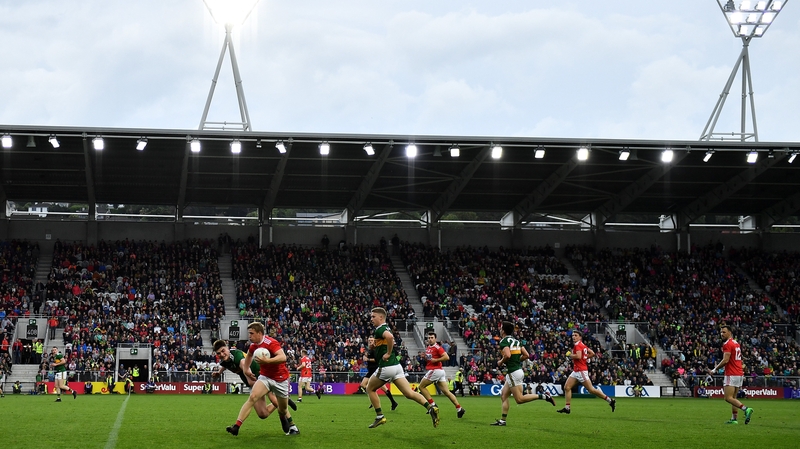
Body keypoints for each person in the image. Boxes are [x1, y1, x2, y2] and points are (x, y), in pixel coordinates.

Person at [365, 307, 439, 429]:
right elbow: (386, 340)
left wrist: (388, 353)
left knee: (369, 388)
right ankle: (431, 407)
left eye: (373, 316)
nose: (371, 319)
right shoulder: (386, 328)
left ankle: (379, 416)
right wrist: (375, 347)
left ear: (381, 317)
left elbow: (389, 338)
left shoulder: (380, 330)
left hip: (386, 367)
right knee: (409, 393)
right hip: (396, 367)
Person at [225, 323, 300, 436]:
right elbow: (249, 356)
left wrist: (267, 361)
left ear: (259, 333)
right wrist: (246, 370)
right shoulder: (253, 346)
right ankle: (236, 426)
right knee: (252, 397)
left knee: (283, 409)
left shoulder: (271, 342)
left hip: (280, 379)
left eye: (251, 333)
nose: (249, 336)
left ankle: (283, 417)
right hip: (265, 377)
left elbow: (283, 357)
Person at [212, 340, 297, 420]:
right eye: (219, 353)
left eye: (223, 351)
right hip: (253, 381)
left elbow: (243, 363)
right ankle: (284, 399)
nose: (222, 354)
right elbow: (225, 365)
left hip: (259, 375)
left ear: (227, 348)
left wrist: (249, 377)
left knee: (274, 400)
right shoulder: (224, 361)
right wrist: (219, 373)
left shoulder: (236, 354)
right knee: (262, 414)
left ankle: (291, 423)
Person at [491, 322, 555, 426]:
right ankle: (503, 420)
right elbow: (526, 355)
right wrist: (517, 360)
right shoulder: (516, 341)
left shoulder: (503, 341)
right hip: (517, 371)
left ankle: (544, 396)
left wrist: (500, 362)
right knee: (503, 395)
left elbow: (507, 355)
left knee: (519, 399)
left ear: (503, 330)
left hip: (513, 372)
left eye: (501, 328)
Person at [557, 331, 616, 415]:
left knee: (591, 390)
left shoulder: (578, 345)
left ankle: (610, 401)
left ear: (580, 337)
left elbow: (578, 356)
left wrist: (570, 355)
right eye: (573, 335)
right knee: (567, 387)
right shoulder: (582, 345)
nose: (573, 337)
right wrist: (585, 357)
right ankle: (567, 408)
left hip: (581, 371)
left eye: (575, 335)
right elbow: (592, 353)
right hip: (577, 370)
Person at [709, 324, 754, 425]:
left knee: (727, 398)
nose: (722, 334)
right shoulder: (736, 343)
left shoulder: (727, 344)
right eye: (721, 332)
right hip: (739, 373)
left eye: (724, 332)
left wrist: (715, 369)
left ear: (730, 332)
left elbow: (725, 360)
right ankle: (734, 419)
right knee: (733, 398)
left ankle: (746, 409)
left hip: (732, 373)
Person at [417, 332, 465, 418]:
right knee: (446, 392)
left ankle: (433, 405)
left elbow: (446, 357)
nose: (430, 339)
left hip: (435, 370)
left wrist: (436, 360)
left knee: (421, 387)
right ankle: (459, 408)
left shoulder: (437, 347)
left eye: (432, 337)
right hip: (439, 371)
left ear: (435, 339)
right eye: (429, 338)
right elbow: (430, 359)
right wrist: (424, 357)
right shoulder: (428, 347)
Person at [358, 336, 398, 410]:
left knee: (380, 387)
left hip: (375, 369)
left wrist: (368, 359)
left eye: (372, 340)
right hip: (371, 370)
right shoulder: (369, 349)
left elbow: (377, 360)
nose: (370, 341)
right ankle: (391, 402)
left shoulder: (376, 349)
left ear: (374, 341)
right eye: (369, 340)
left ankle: (392, 402)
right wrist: (365, 357)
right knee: (364, 385)